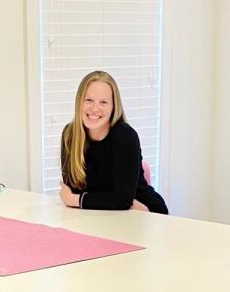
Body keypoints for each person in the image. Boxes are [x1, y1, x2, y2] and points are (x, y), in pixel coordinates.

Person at [58, 71, 168, 214]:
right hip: (101, 215)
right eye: (89, 100)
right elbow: (72, 189)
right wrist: (112, 200)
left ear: (113, 107)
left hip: (144, 211)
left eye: (103, 102)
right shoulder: (70, 135)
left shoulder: (125, 137)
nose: (95, 108)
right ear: (79, 102)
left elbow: (122, 200)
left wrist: (76, 200)